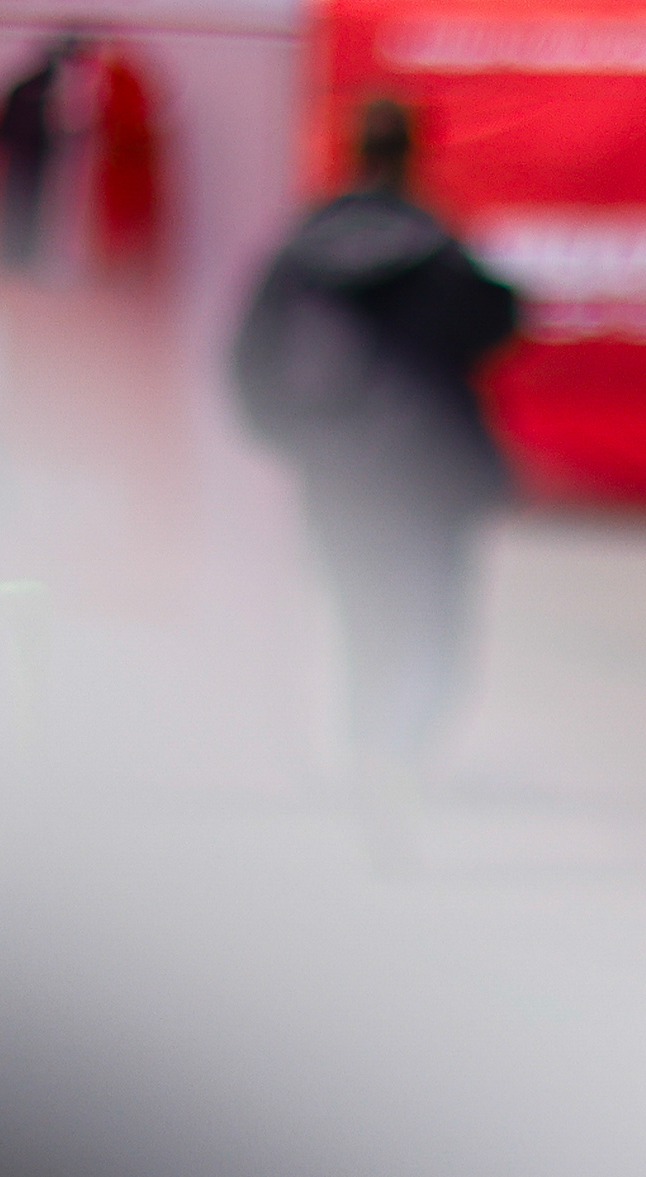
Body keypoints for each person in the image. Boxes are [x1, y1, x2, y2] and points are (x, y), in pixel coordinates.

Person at [229, 97, 520, 809]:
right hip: (428, 469)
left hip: (337, 469)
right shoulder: (438, 248)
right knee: (432, 618)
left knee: (360, 617)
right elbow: (498, 322)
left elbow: (249, 357)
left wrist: (293, 436)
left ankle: (367, 750)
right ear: (414, 152)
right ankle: (403, 753)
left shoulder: (299, 253)